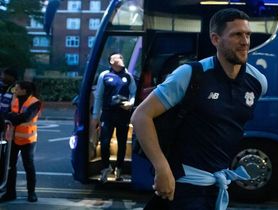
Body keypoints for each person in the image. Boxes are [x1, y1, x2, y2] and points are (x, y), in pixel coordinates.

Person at [131, 8, 267, 210]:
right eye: (237, 34)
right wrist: (162, 168)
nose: (245, 41)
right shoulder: (191, 74)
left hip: (218, 185)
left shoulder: (258, 82)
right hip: (185, 183)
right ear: (215, 39)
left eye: (247, 34)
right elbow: (141, 115)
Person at [92, 52, 136, 183]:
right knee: (104, 142)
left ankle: (119, 169)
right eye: (118, 57)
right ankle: (105, 167)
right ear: (111, 61)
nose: (121, 58)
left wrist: (131, 103)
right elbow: (98, 96)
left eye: (122, 57)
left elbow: (134, 92)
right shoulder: (104, 75)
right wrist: (96, 115)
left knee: (122, 143)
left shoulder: (128, 75)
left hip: (123, 114)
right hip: (107, 114)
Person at [0, 81, 41, 203]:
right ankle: (10, 193)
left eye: (16, 89)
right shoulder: (14, 99)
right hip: (12, 138)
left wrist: (12, 117)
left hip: (27, 139)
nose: (14, 91)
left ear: (24, 90)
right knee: (10, 166)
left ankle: (31, 193)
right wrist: (11, 116)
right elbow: (4, 114)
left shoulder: (35, 102)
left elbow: (26, 118)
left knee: (28, 166)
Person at [0, 67, 18, 131]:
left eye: (4, 75)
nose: (2, 77)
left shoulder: (17, 90)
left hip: (8, 120)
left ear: (12, 77)